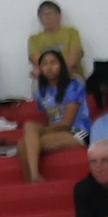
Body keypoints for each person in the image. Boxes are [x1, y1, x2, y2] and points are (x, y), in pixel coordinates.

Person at [19, 48, 90, 183]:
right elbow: (51, 117)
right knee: (26, 137)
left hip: (80, 133)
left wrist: (39, 132)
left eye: (53, 63)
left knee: (28, 141)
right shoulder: (42, 91)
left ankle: (33, 179)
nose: (49, 67)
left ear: (61, 65)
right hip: (57, 131)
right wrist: (37, 132)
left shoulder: (74, 85)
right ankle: (33, 180)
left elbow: (67, 123)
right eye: (44, 64)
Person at [29, 0, 83, 84]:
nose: (48, 17)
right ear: (39, 18)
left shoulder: (71, 33)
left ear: (59, 15)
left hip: (71, 77)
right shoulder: (34, 39)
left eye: (50, 13)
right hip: (47, 79)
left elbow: (74, 58)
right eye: (44, 15)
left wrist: (59, 74)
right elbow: (38, 62)